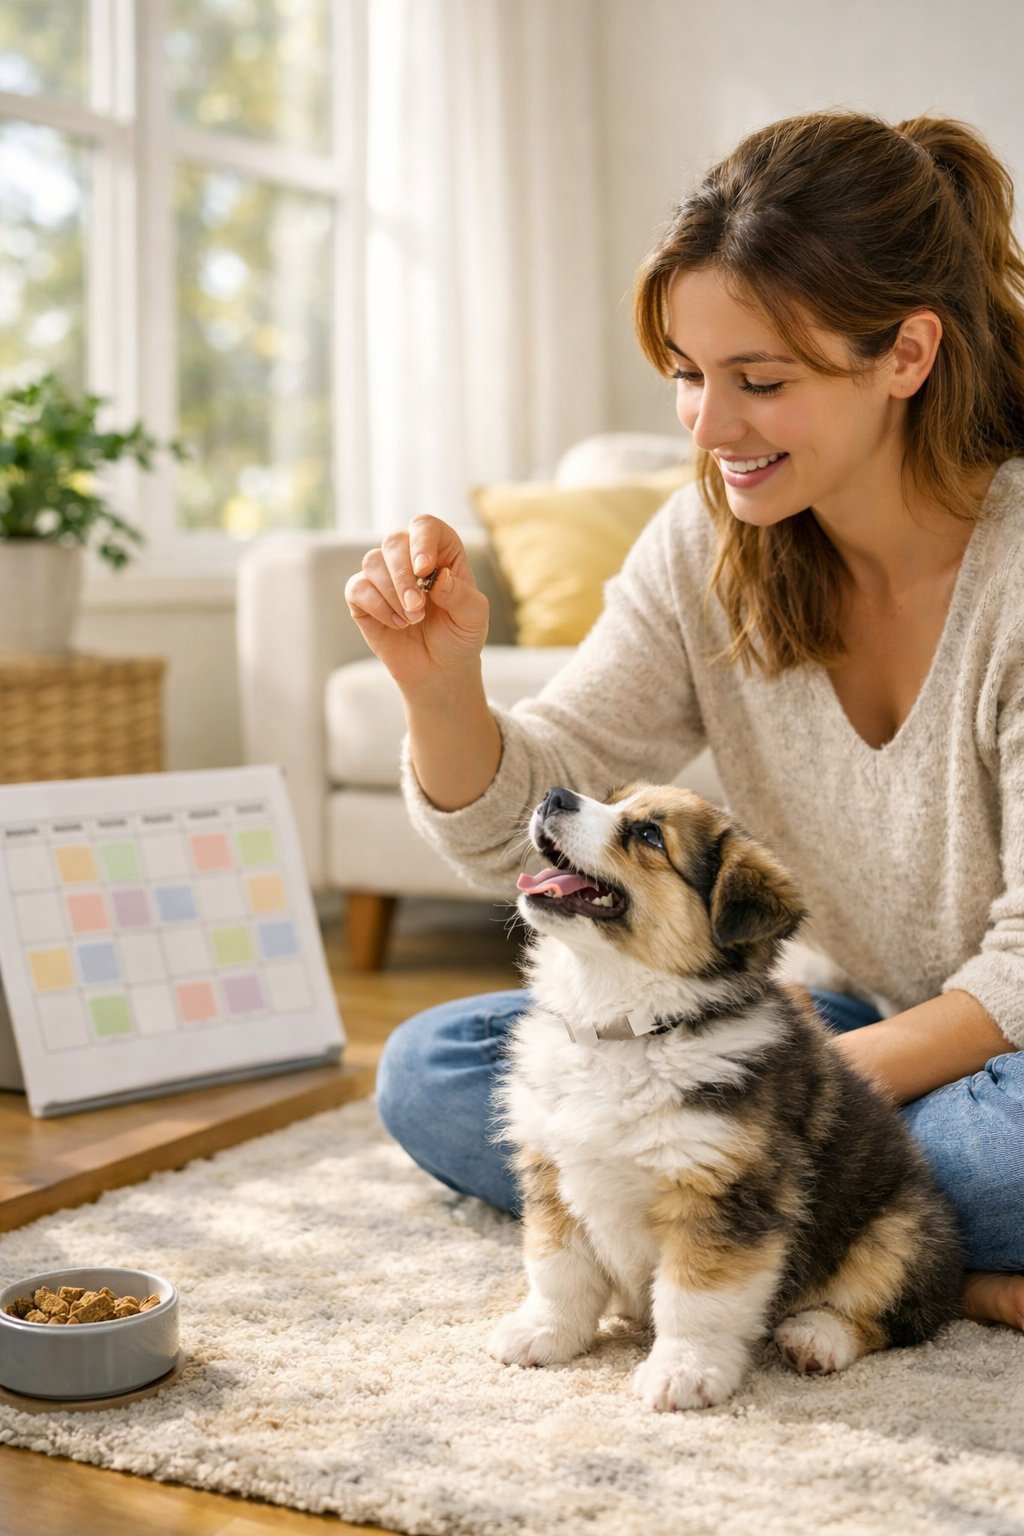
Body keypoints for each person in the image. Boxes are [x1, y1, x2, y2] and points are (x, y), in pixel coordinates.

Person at [345, 110, 1024, 1335]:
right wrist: (439, 687)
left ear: (907, 355)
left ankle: (848, 1233)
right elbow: (531, 826)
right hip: (849, 1022)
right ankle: (896, 1258)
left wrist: (781, 1103)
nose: (710, 432)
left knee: (1001, 1155)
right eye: (686, 376)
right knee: (437, 1076)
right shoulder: (704, 545)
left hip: (998, 1052)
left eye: (761, 382)